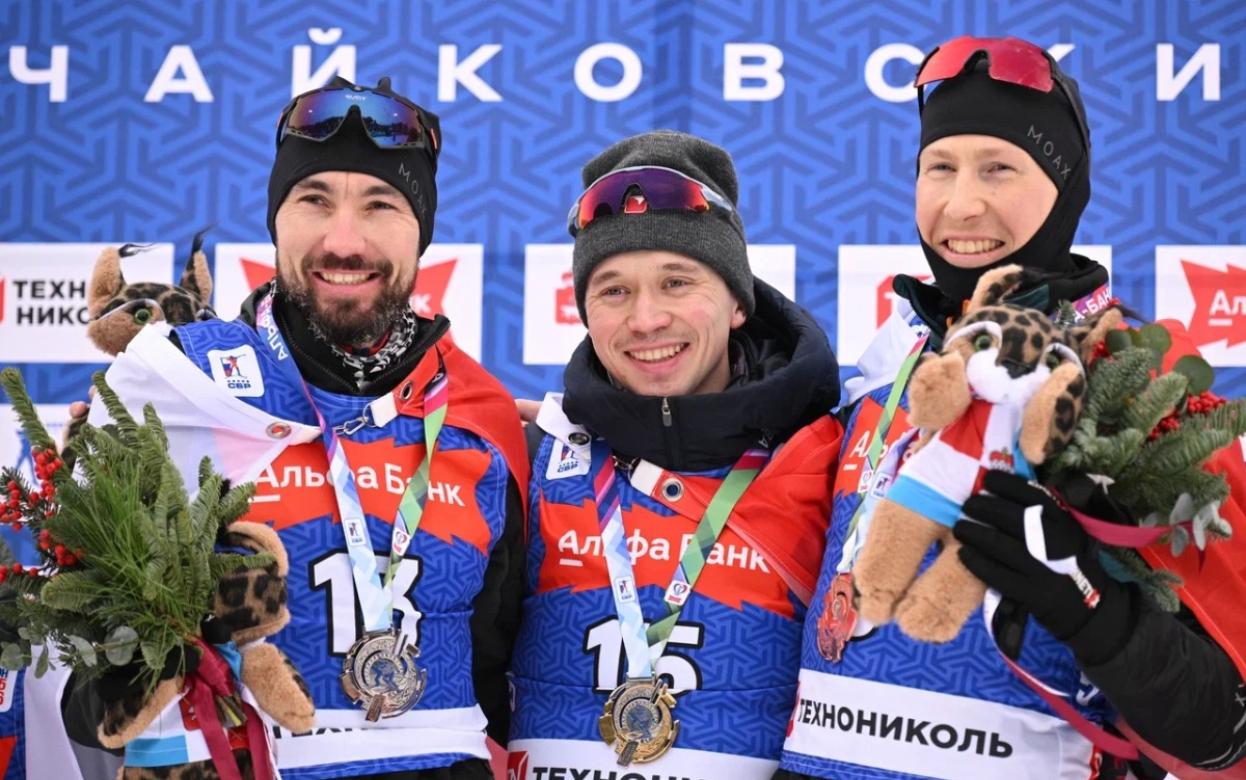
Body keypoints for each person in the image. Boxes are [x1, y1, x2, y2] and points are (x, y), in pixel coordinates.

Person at [778, 36, 1246, 780]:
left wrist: (1093, 607)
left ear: (1064, 190)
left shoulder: (1142, 389)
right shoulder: (890, 366)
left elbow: (1225, 735)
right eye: (940, 167)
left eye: (999, 168)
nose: (962, 204)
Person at [70, 76, 528, 780]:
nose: (343, 241)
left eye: (380, 205)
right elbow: (71, 691)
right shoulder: (174, 384)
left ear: (422, 231)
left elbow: (502, 673)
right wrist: (149, 651)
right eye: (314, 200)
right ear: (276, 219)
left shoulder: (480, 414)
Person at [507, 131, 843, 778]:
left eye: (677, 281)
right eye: (613, 291)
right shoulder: (531, 461)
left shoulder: (825, 462)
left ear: (738, 302)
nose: (646, 319)